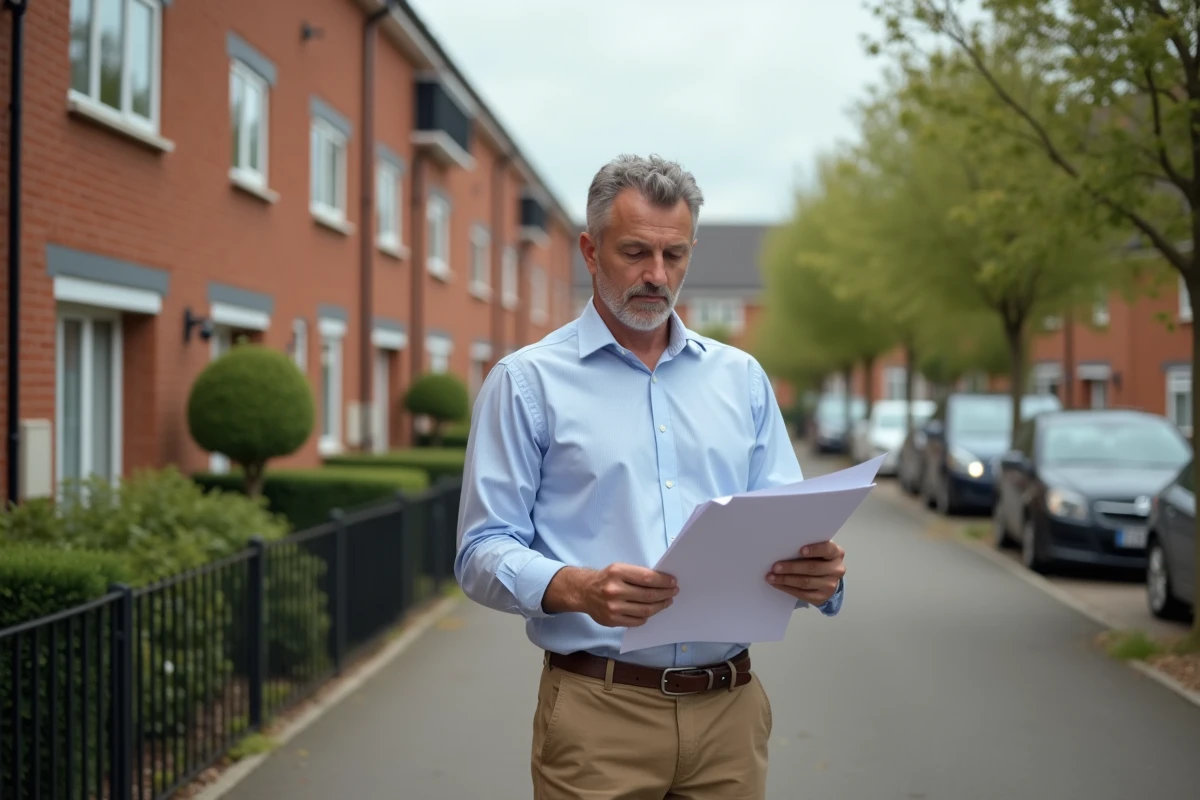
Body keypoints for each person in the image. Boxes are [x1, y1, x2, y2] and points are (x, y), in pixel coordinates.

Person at [455, 154, 847, 800]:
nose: (656, 275)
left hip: (731, 713)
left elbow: (786, 523)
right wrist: (573, 586)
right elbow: (479, 550)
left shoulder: (742, 379)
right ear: (589, 249)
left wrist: (823, 575)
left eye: (674, 256)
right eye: (635, 252)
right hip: (597, 714)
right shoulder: (526, 383)